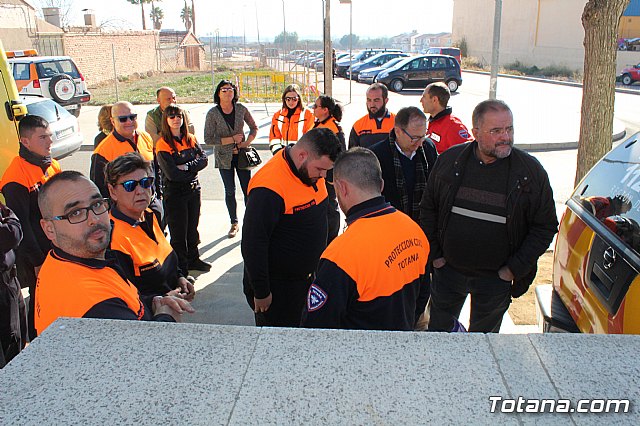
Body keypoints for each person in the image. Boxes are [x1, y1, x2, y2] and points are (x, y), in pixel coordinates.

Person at [420, 99, 558, 333]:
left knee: (484, 347)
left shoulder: (530, 172)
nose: (505, 137)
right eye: (496, 131)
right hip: (449, 274)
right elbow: (428, 209)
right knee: (438, 337)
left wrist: (513, 269)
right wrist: (436, 257)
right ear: (475, 133)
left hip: (496, 280)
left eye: (509, 129)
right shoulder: (449, 161)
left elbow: (544, 227)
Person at [34, 171, 194, 335]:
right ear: (49, 229)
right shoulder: (93, 301)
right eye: (75, 213)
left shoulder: (73, 260)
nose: (94, 219)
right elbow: (145, 350)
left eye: (96, 204)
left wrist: (153, 302)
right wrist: (167, 317)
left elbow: (127, 301)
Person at [300, 148, 430, 330]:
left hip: (356, 353)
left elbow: (317, 324)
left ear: (342, 187)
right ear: (381, 184)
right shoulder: (415, 231)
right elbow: (422, 296)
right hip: (401, 343)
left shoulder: (340, 255)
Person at [241, 128, 343, 327]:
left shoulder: (310, 173)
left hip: (306, 282)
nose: (323, 176)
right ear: (302, 155)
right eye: (320, 169)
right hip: (278, 289)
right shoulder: (268, 188)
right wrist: (262, 292)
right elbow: (253, 244)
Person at [0, 115, 62, 341]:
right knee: (40, 302)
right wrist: (37, 261)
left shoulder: (50, 163)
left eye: (50, 135)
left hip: (56, 247)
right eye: (43, 137)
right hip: (36, 255)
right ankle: (39, 340)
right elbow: (22, 225)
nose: (50, 142)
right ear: (25, 142)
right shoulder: (15, 178)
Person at [106, 152, 195, 300]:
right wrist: (161, 300)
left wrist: (179, 278)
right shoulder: (113, 240)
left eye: (145, 182)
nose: (140, 190)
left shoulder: (149, 215)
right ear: (112, 191)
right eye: (130, 186)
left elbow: (165, 258)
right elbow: (125, 298)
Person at [156, 105, 210, 274]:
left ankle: (194, 259)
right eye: (171, 117)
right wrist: (193, 169)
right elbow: (172, 174)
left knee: (192, 228)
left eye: (178, 116)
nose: (176, 119)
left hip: (193, 190)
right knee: (178, 233)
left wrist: (186, 167)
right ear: (166, 120)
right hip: (175, 194)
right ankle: (181, 268)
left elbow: (203, 160)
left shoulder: (190, 138)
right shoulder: (163, 144)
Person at [90, 101, 163, 224]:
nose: (129, 122)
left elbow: (155, 170)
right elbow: (100, 190)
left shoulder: (145, 137)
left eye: (132, 117)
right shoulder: (103, 151)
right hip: (127, 217)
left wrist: (159, 199)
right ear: (113, 122)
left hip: (152, 208)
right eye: (123, 119)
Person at [204, 79, 258, 238]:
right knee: (230, 191)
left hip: (242, 156)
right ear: (218, 93)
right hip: (224, 157)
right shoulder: (213, 113)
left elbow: (254, 127)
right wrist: (231, 139)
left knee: (248, 189)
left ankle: (252, 221)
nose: (228, 92)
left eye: (230, 89)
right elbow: (208, 139)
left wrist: (247, 142)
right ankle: (234, 223)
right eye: (224, 90)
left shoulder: (241, 109)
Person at [369, 106, 437, 223]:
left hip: (423, 225)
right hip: (390, 225)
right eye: (415, 138)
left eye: (423, 136)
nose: (420, 144)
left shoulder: (428, 148)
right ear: (398, 131)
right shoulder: (376, 155)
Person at [312, 95, 346, 243]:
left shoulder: (334, 128)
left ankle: (332, 240)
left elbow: (341, 155)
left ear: (325, 110)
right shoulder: (318, 124)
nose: (313, 108)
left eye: (315, 106)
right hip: (316, 176)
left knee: (330, 209)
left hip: (327, 178)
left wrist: (332, 178)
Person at [0, 201, 26, 367]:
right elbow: (10, 236)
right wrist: (12, 219)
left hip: (9, 278)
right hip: (2, 284)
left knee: (18, 333)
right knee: (10, 339)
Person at [420, 82, 473, 154]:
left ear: (434, 100)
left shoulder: (453, 126)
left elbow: (469, 152)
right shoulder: (433, 121)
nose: (421, 100)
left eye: (424, 97)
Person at [269, 84, 314, 154]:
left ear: (299, 99)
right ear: (284, 99)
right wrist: (277, 153)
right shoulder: (277, 115)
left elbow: (310, 136)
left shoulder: (308, 114)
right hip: (282, 153)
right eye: (288, 99)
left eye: (294, 99)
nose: (291, 102)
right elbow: (274, 137)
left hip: (301, 154)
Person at [348, 83, 395, 149]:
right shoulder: (358, 126)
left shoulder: (398, 123)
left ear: (386, 100)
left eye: (376, 100)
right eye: (369, 100)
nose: (372, 104)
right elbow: (352, 156)